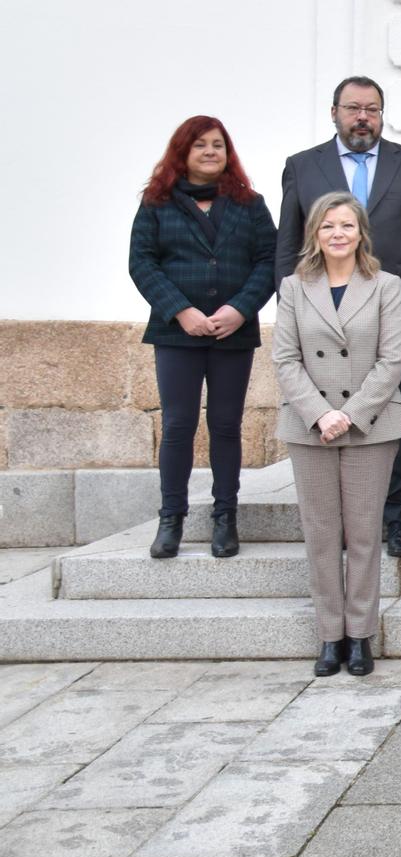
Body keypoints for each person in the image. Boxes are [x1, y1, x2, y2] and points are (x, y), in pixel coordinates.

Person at [277, 76, 401, 560]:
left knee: (393, 415)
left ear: (382, 114)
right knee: (324, 415)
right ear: (334, 113)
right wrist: (291, 307)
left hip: (392, 315)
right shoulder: (303, 166)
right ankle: (342, 524)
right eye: (353, 108)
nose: (362, 117)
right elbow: (287, 244)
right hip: (320, 319)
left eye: (372, 108)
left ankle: (396, 517)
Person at [271, 192, 401, 678]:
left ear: (360, 232)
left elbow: (393, 359)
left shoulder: (385, 285)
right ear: (315, 233)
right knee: (321, 532)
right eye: (328, 225)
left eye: (346, 225)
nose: (337, 234)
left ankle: (360, 635)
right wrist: (320, 413)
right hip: (310, 427)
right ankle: (329, 636)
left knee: (366, 533)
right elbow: (285, 359)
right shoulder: (292, 287)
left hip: (370, 425)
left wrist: (349, 414)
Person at [129, 117, 277, 561]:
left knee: (227, 426)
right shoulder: (156, 204)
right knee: (177, 425)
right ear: (183, 152)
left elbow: (269, 260)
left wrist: (239, 309)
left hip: (233, 332)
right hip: (177, 334)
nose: (211, 152)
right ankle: (170, 518)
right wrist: (182, 311)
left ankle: (224, 518)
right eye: (201, 145)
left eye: (218, 145)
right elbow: (142, 263)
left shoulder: (250, 204)